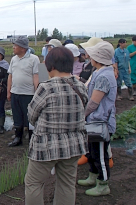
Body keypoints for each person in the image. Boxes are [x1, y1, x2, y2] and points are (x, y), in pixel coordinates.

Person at [25, 46, 88, 205]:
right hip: (74, 145)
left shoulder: (46, 87)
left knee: (34, 183)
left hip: (46, 146)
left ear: (51, 66)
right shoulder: (81, 86)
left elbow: (32, 115)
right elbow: (83, 109)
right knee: (67, 184)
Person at [78, 41, 117, 196]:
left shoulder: (104, 76)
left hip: (101, 122)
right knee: (93, 152)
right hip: (94, 121)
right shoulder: (100, 71)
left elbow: (94, 102)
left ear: (98, 57)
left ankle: (103, 184)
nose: (89, 57)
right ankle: (92, 176)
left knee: (100, 155)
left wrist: (83, 115)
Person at [7, 36, 39, 147]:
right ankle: (18, 138)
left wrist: (37, 92)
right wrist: (9, 91)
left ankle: (32, 139)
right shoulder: (13, 59)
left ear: (23, 48)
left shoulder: (34, 59)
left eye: (15, 46)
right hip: (15, 92)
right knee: (17, 116)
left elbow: (36, 76)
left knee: (29, 117)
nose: (13, 48)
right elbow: (10, 76)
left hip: (28, 94)